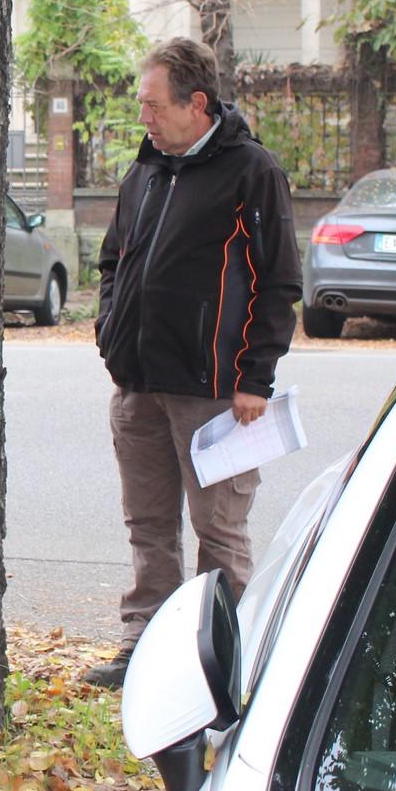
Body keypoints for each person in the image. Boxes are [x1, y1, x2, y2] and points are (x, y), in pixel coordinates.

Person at [83, 38, 302, 688]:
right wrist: (110, 333)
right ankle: (142, 645)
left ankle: (223, 659)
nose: (143, 118)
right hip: (138, 386)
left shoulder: (251, 172)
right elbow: (112, 261)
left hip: (217, 394)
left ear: (195, 103)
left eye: (153, 105)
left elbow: (278, 281)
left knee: (219, 531)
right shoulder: (145, 172)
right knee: (148, 524)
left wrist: (254, 378)